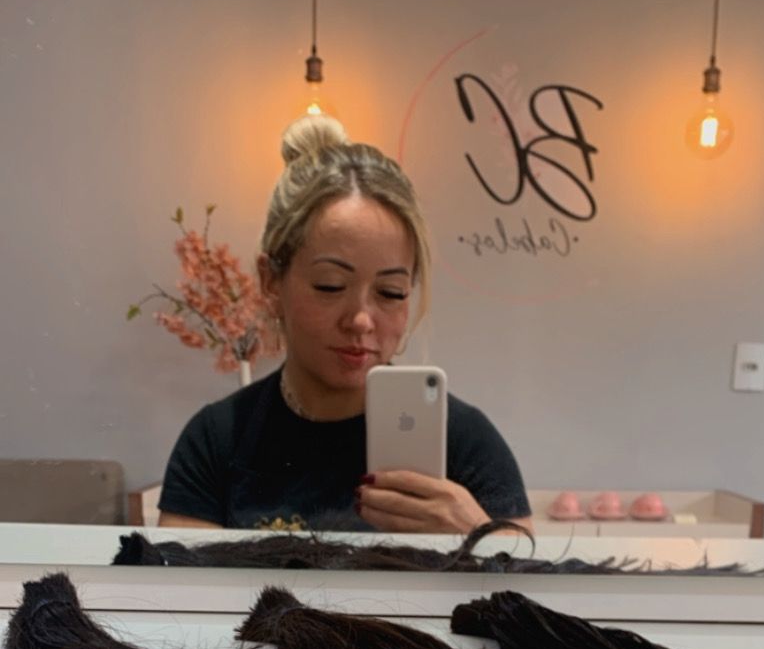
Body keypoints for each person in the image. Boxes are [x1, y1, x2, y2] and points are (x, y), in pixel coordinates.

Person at [158, 116, 532, 534]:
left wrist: (476, 538)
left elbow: (528, 574)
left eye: (390, 292)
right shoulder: (218, 440)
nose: (361, 320)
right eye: (330, 285)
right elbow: (179, 578)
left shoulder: (464, 442)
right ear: (271, 281)